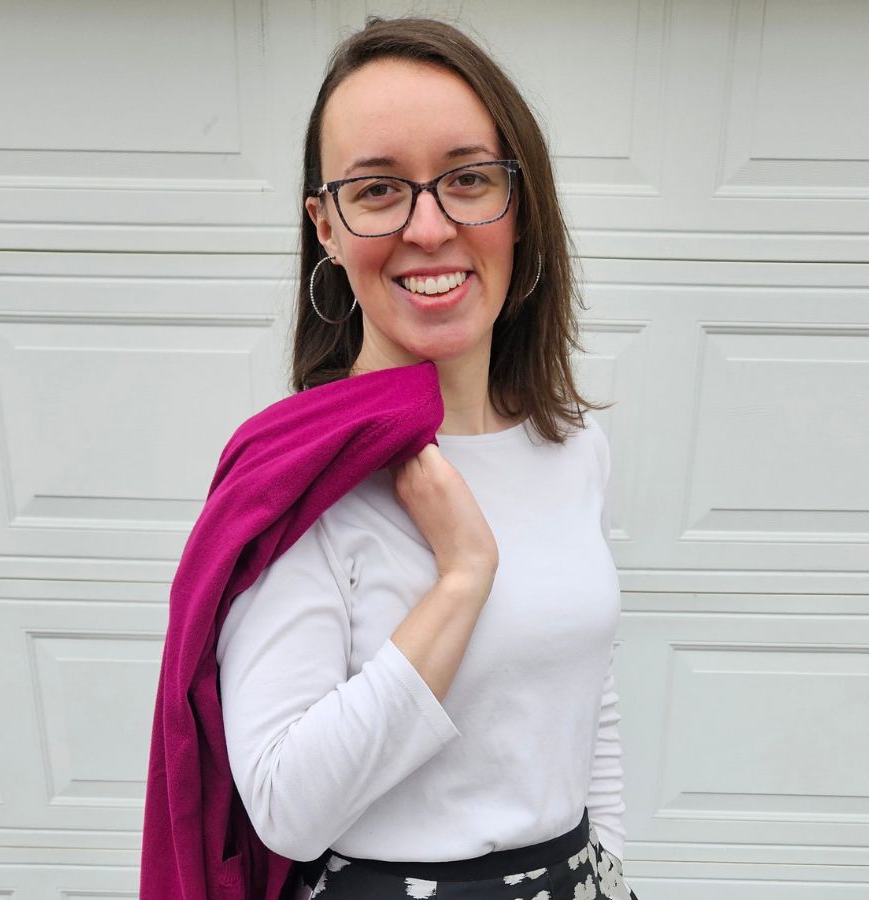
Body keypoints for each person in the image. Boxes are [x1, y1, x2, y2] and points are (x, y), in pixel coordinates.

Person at [215, 16, 637, 900]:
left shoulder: (570, 447)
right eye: (378, 191)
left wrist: (609, 865)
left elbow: (585, 695)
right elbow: (284, 807)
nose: (431, 227)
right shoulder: (304, 480)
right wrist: (463, 576)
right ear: (324, 226)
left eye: (468, 179)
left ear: (520, 208)